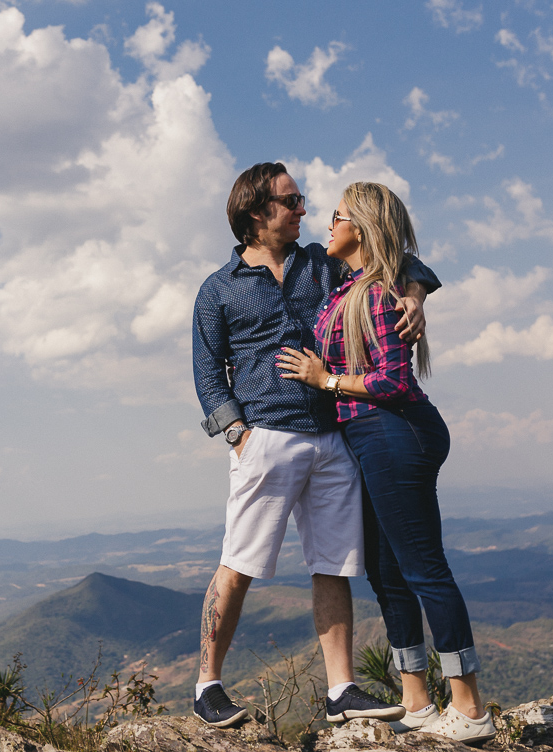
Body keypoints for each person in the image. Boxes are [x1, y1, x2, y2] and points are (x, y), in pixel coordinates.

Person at [191, 164, 441, 728]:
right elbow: (208, 375)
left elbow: (396, 256)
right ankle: (207, 684)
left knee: (334, 565)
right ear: (258, 213)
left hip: (333, 436)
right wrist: (239, 435)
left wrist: (416, 294)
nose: (304, 209)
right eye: (292, 200)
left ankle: (340, 689)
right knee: (238, 562)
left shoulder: (320, 264)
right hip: (266, 437)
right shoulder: (218, 289)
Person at [276, 181, 493, 745]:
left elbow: (394, 382)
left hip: (394, 434)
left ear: (363, 228)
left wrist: (324, 379)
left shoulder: (379, 294)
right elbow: (404, 261)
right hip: (368, 438)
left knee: (423, 568)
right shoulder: (350, 283)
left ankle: (469, 706)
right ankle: (416, 697)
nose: (327, 225)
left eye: (338, 216)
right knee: (386, 572)